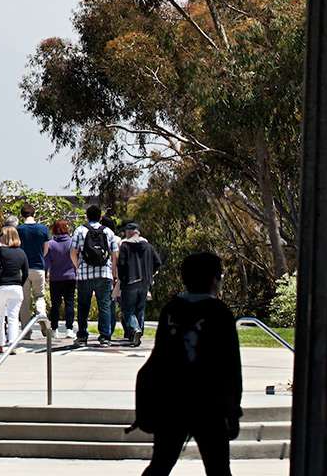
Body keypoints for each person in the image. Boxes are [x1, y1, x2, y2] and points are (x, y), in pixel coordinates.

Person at [132, 251, 242, 476]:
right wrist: (232, 409)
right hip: (209, 403)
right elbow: (230, 366)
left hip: (172, 401)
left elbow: (159, 357)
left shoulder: (171, 309)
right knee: (219, 468)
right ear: (214, 279)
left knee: (161, 464)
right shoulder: (220, 313)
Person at [71, 204, 118, 346]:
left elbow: (73, 252)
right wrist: (113, 271)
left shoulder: (80, 230)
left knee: (83, 306)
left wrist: (77, 266)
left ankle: (82, 336)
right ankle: (105, 336)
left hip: (84, 275)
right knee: (104, 305)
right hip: (104, 274)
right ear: (100, 217)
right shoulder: (108, 232)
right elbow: (114, 254)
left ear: (87, 216)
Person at [116, 220, 165, 347]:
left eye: (126, 231)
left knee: (128, 310)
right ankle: (137, 335)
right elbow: (158, 262)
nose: (125, 234)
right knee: (140, 309)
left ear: (131, 232)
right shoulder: (148, 246)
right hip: (145, 282)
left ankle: (135, 329)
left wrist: (122, 279)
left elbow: (121, 264)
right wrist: (150, 274)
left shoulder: (125, 246)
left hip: (130, 282)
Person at [0, 225, 30, 354]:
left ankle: (0, 345)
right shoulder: (21, 252)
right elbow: (26, 272)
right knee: (13, 317)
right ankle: (12, 344)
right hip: (15, 287)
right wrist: (19, 283)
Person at [16, 205, 52, 327]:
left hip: (22, 269)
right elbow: (46, 249)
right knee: (39, 296)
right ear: (34, 214)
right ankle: (41, 313)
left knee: (24, 301)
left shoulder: (19, 229)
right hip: (38, 267)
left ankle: (26, 330)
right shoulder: (43, 229)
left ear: (22, 215)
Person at [44, 220, 78, 340]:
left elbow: (47, 262)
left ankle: (55, 329)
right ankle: (69, 329)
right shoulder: (71, 242)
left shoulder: (51, 244)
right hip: (70, 276)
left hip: (55, 278)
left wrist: (46, 274)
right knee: (69, 303)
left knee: (55, 304)